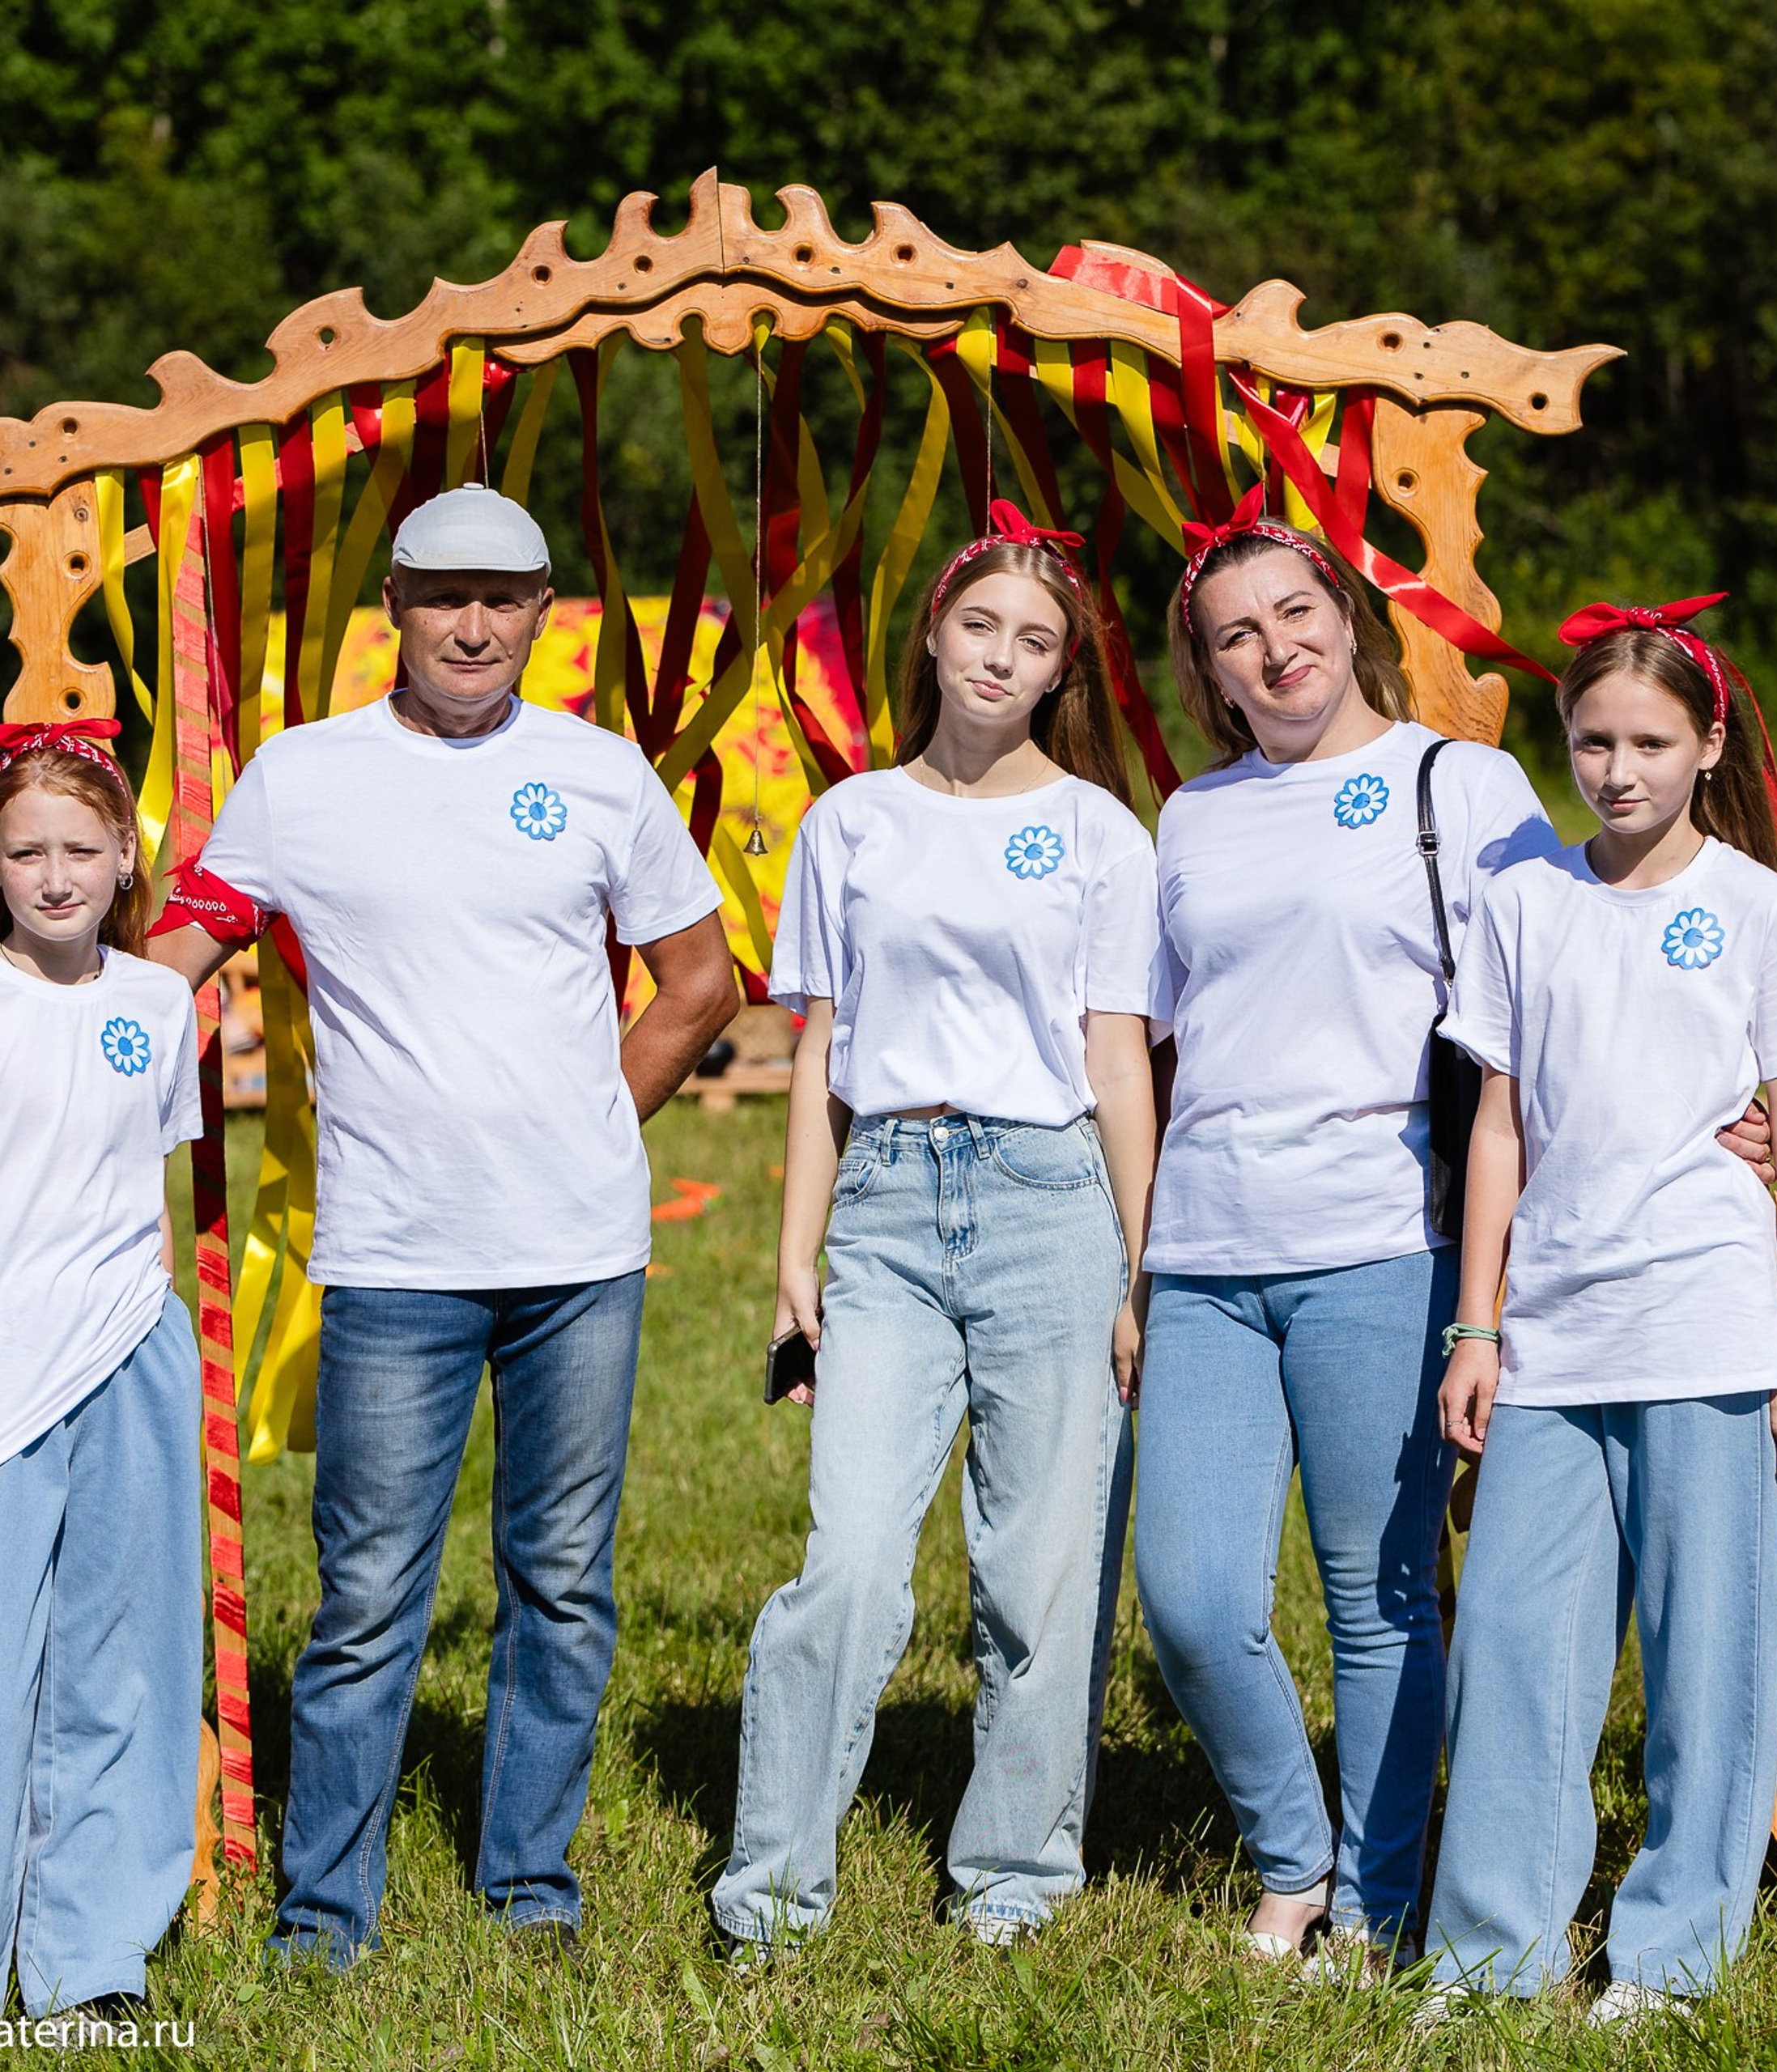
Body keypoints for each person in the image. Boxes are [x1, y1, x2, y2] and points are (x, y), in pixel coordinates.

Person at [1129, 497, 1775, 1976]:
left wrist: (1726, 1103)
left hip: (1380, 1235)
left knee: (1380, 1597)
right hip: (1207, 1251)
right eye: (1238, 635)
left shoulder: (1460, 787)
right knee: (1193, 1595)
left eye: (1296, 613)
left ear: (1348, 616)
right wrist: (1133, 1249)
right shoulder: (1191, 815)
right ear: (1210, 671)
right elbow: (1156, 1044)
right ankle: (1293, 1846)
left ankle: (1372, 1893)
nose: (1275, 648)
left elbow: (1586, 971)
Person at [149, 484, 739, 1966]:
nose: (472, 625)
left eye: (504, 598)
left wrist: (592, 1128)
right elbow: (172, 961)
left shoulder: (603, 775)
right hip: (395, 1259)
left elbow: (700, 982)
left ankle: (530, 1888)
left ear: (542, 614)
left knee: (560, 1581)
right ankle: (321, 1917)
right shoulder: (300, 776)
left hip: (581, 1259)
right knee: (363, 1598)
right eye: (440, 596)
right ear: (394, 609)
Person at [712, 503, 1160, 1954]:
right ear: (932, 632)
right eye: (981, 625)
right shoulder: (852, 819)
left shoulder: (1099, 833)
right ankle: (772, 1888)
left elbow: (1114, 1065)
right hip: (887, 1211)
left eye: (1036, 642)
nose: (1002, 657)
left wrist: (1143, 1271)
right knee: (846, 1561)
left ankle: (1016, 1878)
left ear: (1059, 673)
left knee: (1038, 1573)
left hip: (1051, 1202)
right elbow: (821, 1055)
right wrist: (797, 1253)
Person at [1418, 596, 1777, 2027]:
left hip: (1711, 1338)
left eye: (1652, 741)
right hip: (1547, 1339)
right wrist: (1476, 1327)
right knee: (1516, 1660)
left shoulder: (1759, 912)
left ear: (1707, 741)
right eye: (1594, 739)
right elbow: (1498, 1125)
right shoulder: (1524, 901)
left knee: (1705, 1667)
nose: (1619, 769)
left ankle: (1674, 1957)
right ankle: (1491, 1958)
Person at [0, 721, 202, 2015]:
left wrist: (162, 1332)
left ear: (125, 857)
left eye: (81, 848)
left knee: (119, 1659)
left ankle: (88, 1963)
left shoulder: (158, 1002)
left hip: (131, 1348)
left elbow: (154, 1189)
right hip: (10, 1360)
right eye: (25, 851)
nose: (56, 875)